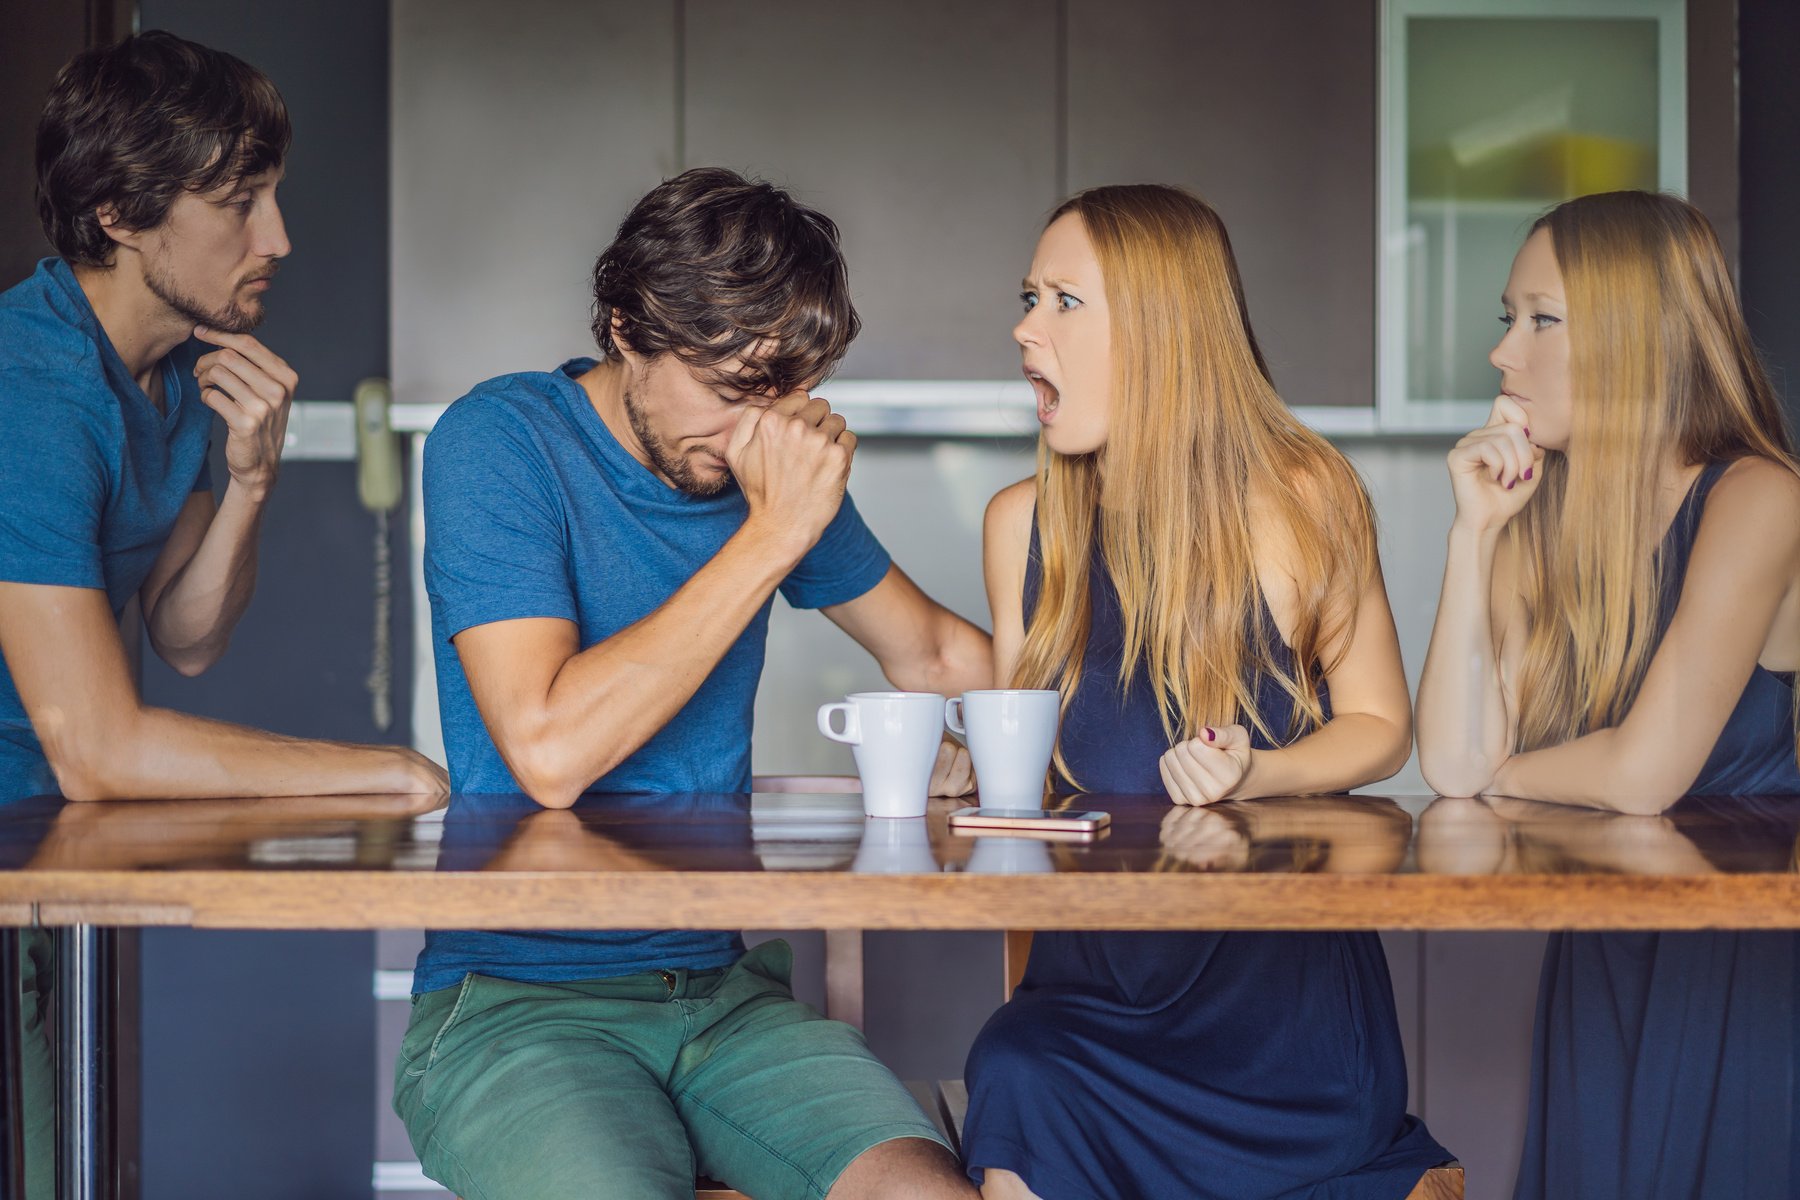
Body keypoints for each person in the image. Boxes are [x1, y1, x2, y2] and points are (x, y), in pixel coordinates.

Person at [395, 167, 991, 1199]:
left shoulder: (752, 463)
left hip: (724, 997)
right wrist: (773, 537)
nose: (758, 429)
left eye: (786, 394)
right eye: (729, 389)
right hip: (514, 1001)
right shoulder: (500, 441)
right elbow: (548, 751)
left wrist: (982, 730)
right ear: (626, 325)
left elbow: (942, 657)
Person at [0, 30, 447, 1199]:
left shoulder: (167, 375)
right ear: (118, 214)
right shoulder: (31, 393)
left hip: (43, 837)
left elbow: (187, 637)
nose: (279, 238)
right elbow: (99, 749)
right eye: (239, 202)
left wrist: (249, 481)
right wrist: (381, 773)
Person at [961, 184, 1448, 1200]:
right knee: (1015, 1065)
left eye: (1062, 301)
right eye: (1028, 297)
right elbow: (1034, 772)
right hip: (1093, 999)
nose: (1023, 328)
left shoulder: (1307, 495)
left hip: (1285, 1023)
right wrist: (969, 766)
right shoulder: (1021, 525)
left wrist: (1260, 774)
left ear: (1159, 331)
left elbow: (1381, 725)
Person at [1416, 189, 1800, 1200]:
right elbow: (1452, 763)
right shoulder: (1546, 513)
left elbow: (1642, 773)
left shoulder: (1759, 496)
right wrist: (1474, 535)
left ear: (1638, 335)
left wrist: (1506, 774)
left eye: (1541, 319)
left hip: (1745, 966)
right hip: (1605, 937)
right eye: (1510, 319)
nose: (1503, 353)